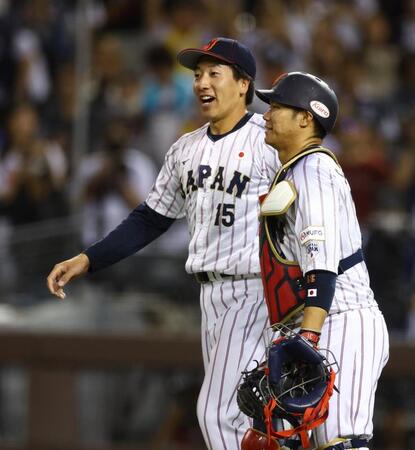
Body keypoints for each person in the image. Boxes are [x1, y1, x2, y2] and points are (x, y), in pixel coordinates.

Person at [46, 37, 280, 450]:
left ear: (244, 84)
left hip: (255, 288)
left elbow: (311, 204)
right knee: (248, 413)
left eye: (213, 73)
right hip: (212, 296)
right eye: (196, 75)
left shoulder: (270, 141)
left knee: (217, 412)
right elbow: (150, 219)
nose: (201, 83)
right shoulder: (184, 149)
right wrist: (88, 259)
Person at [243, 72, 389, 449]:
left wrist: (308, 338)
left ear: (306, 118)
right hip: (315, 322)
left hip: (342, 321)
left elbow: (320, 263)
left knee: (342, 443)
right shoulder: (294, 170)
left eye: (277, 107)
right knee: (279, 441)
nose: (266, 115)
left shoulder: (316, 169)